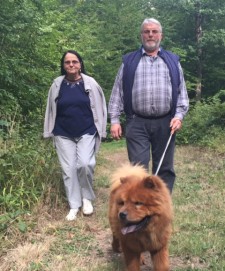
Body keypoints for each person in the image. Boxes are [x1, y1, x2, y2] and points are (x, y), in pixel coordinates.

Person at [108, 18, 189, 193]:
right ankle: (140, 205)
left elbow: (182, 93)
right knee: (138, 169)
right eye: (146, 31)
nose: (150, 34)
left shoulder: (173, 61)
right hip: (137, 123)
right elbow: (117, 93)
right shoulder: (128, 62)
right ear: (141, 35)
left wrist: (178, 116)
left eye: (154, 31)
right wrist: (114, 120)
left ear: (161, 35)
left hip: (166, 122)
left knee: (164, 168)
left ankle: (161, 206)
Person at [43, 50, 107, 221]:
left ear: (80, 64)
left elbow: (101, 107)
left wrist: (102, 128)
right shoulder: (57, 84)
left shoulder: (90, 83)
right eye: (67, 62)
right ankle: (74, 205)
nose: (71, 65)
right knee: (69, 169)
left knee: (85, 164)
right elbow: (50, 109)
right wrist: (48, 130)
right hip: (63, 132)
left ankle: (87, 198)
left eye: (74, 61)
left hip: (86, 130)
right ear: (63, 66)